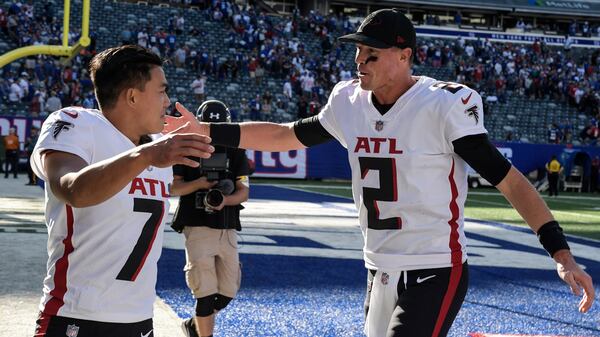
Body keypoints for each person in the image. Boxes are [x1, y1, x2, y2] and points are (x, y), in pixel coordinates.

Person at [165, 9, 595, 337]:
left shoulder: (442, 106)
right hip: (378, 267)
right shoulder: (349, 102)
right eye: (357, 50)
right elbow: (286, 135)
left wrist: (561, 253)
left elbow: (510, 181)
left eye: (372, 52)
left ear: (405, 56)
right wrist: (206, 129)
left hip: (435, 265)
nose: (359, 60)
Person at [30, 45, 213, 337]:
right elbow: (71, 188)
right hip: (76, 315)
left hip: (138, 319)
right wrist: (145, 156)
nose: (167, 101)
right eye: (161, 91)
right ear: (132, 96)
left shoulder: (157, 145)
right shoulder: (77, 124)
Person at [170, 100, 250, 337]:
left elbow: (243, 191)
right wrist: (200, 184)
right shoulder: (185, 148)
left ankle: (194, 324)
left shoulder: (236, 151)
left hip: (226, 225)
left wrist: (225, 200)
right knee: (204, 293)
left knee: (228, 291)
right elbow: (174, 188)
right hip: (196, 225)